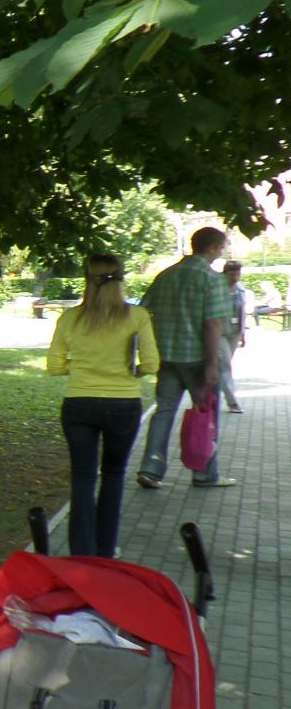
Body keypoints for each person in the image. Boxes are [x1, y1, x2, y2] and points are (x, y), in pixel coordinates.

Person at [46, 255, 158, 558]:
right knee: (113, 474)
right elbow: (151, 363)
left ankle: (81, 551)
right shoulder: (137, 316)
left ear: (87, 279)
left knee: (82, 477)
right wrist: (131, 371)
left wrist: (82, 367)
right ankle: (106, 549)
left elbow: (54, 366)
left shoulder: (70, 318)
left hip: (78, 403)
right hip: (123, 404)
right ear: (121, 279)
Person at [136, 227, 235, 489]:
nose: (223, 251)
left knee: (163, 411)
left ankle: (150, 469)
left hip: (167, 357)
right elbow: (212, 324)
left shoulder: (166, 275)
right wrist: (213, 364)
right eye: (222, 246)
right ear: (212, 247)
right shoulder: (212, 279)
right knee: (206, 415)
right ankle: (204, 473)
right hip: (198, 359)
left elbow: (143, 312)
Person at [218, 261, 246, 413]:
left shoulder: (241, 289)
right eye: (232, 274)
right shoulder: (217, 289)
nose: (235, 277)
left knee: (224, 365)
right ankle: (232, 402)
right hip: (220, 333)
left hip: (235, 332)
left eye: (237, 273)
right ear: (225, 274)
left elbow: (243, 312)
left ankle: (212, 392)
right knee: (225, 365)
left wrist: (243, 334)